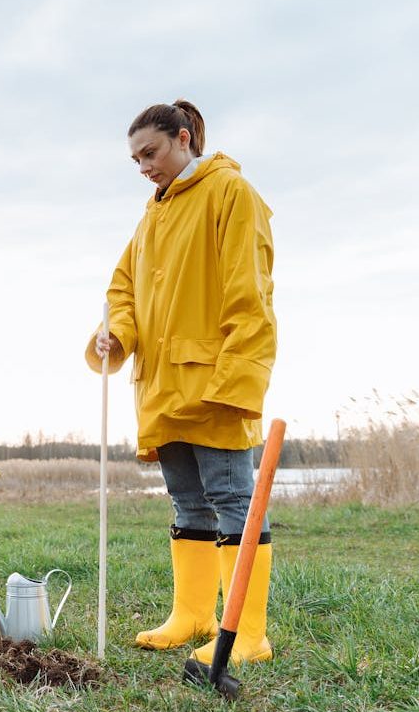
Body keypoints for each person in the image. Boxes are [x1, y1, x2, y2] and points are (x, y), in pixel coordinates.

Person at [85, 99, 276, 667]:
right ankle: (191, 615)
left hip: (215, 382)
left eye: (152, 152)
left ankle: (247, 633)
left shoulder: (231, 194)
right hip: (162, 388)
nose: (144, 166)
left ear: (185, 138)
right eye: (135, 159)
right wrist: (115, 335)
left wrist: (238, 380)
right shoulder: (152, 217)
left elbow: (252, 294)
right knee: (188, 502)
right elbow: (122, 290)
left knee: (233, 501)